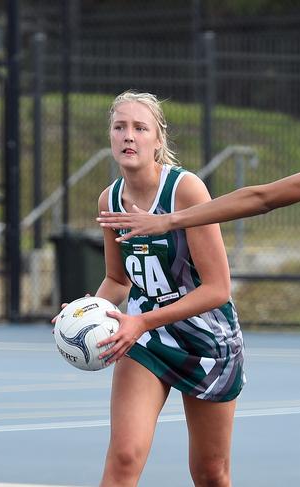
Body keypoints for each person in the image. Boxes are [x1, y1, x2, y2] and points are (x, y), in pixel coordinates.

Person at [91, 91, 245, 487]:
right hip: (146, 338)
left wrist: (141, 320)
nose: (129, 136)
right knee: (123, 458)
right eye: (120, 127)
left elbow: (217, 289)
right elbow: (118, 280)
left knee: (210, 473)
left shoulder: (185, 190)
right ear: (110, 137)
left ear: (158, 140)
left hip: (207, 340)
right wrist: (84, 311)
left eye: (140, 128)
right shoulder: (110, 199)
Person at [97, 156, 300, 242]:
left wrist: (168, 220)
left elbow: (262, 199)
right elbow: (261, 199)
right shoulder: (110, 197)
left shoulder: (184, 186)